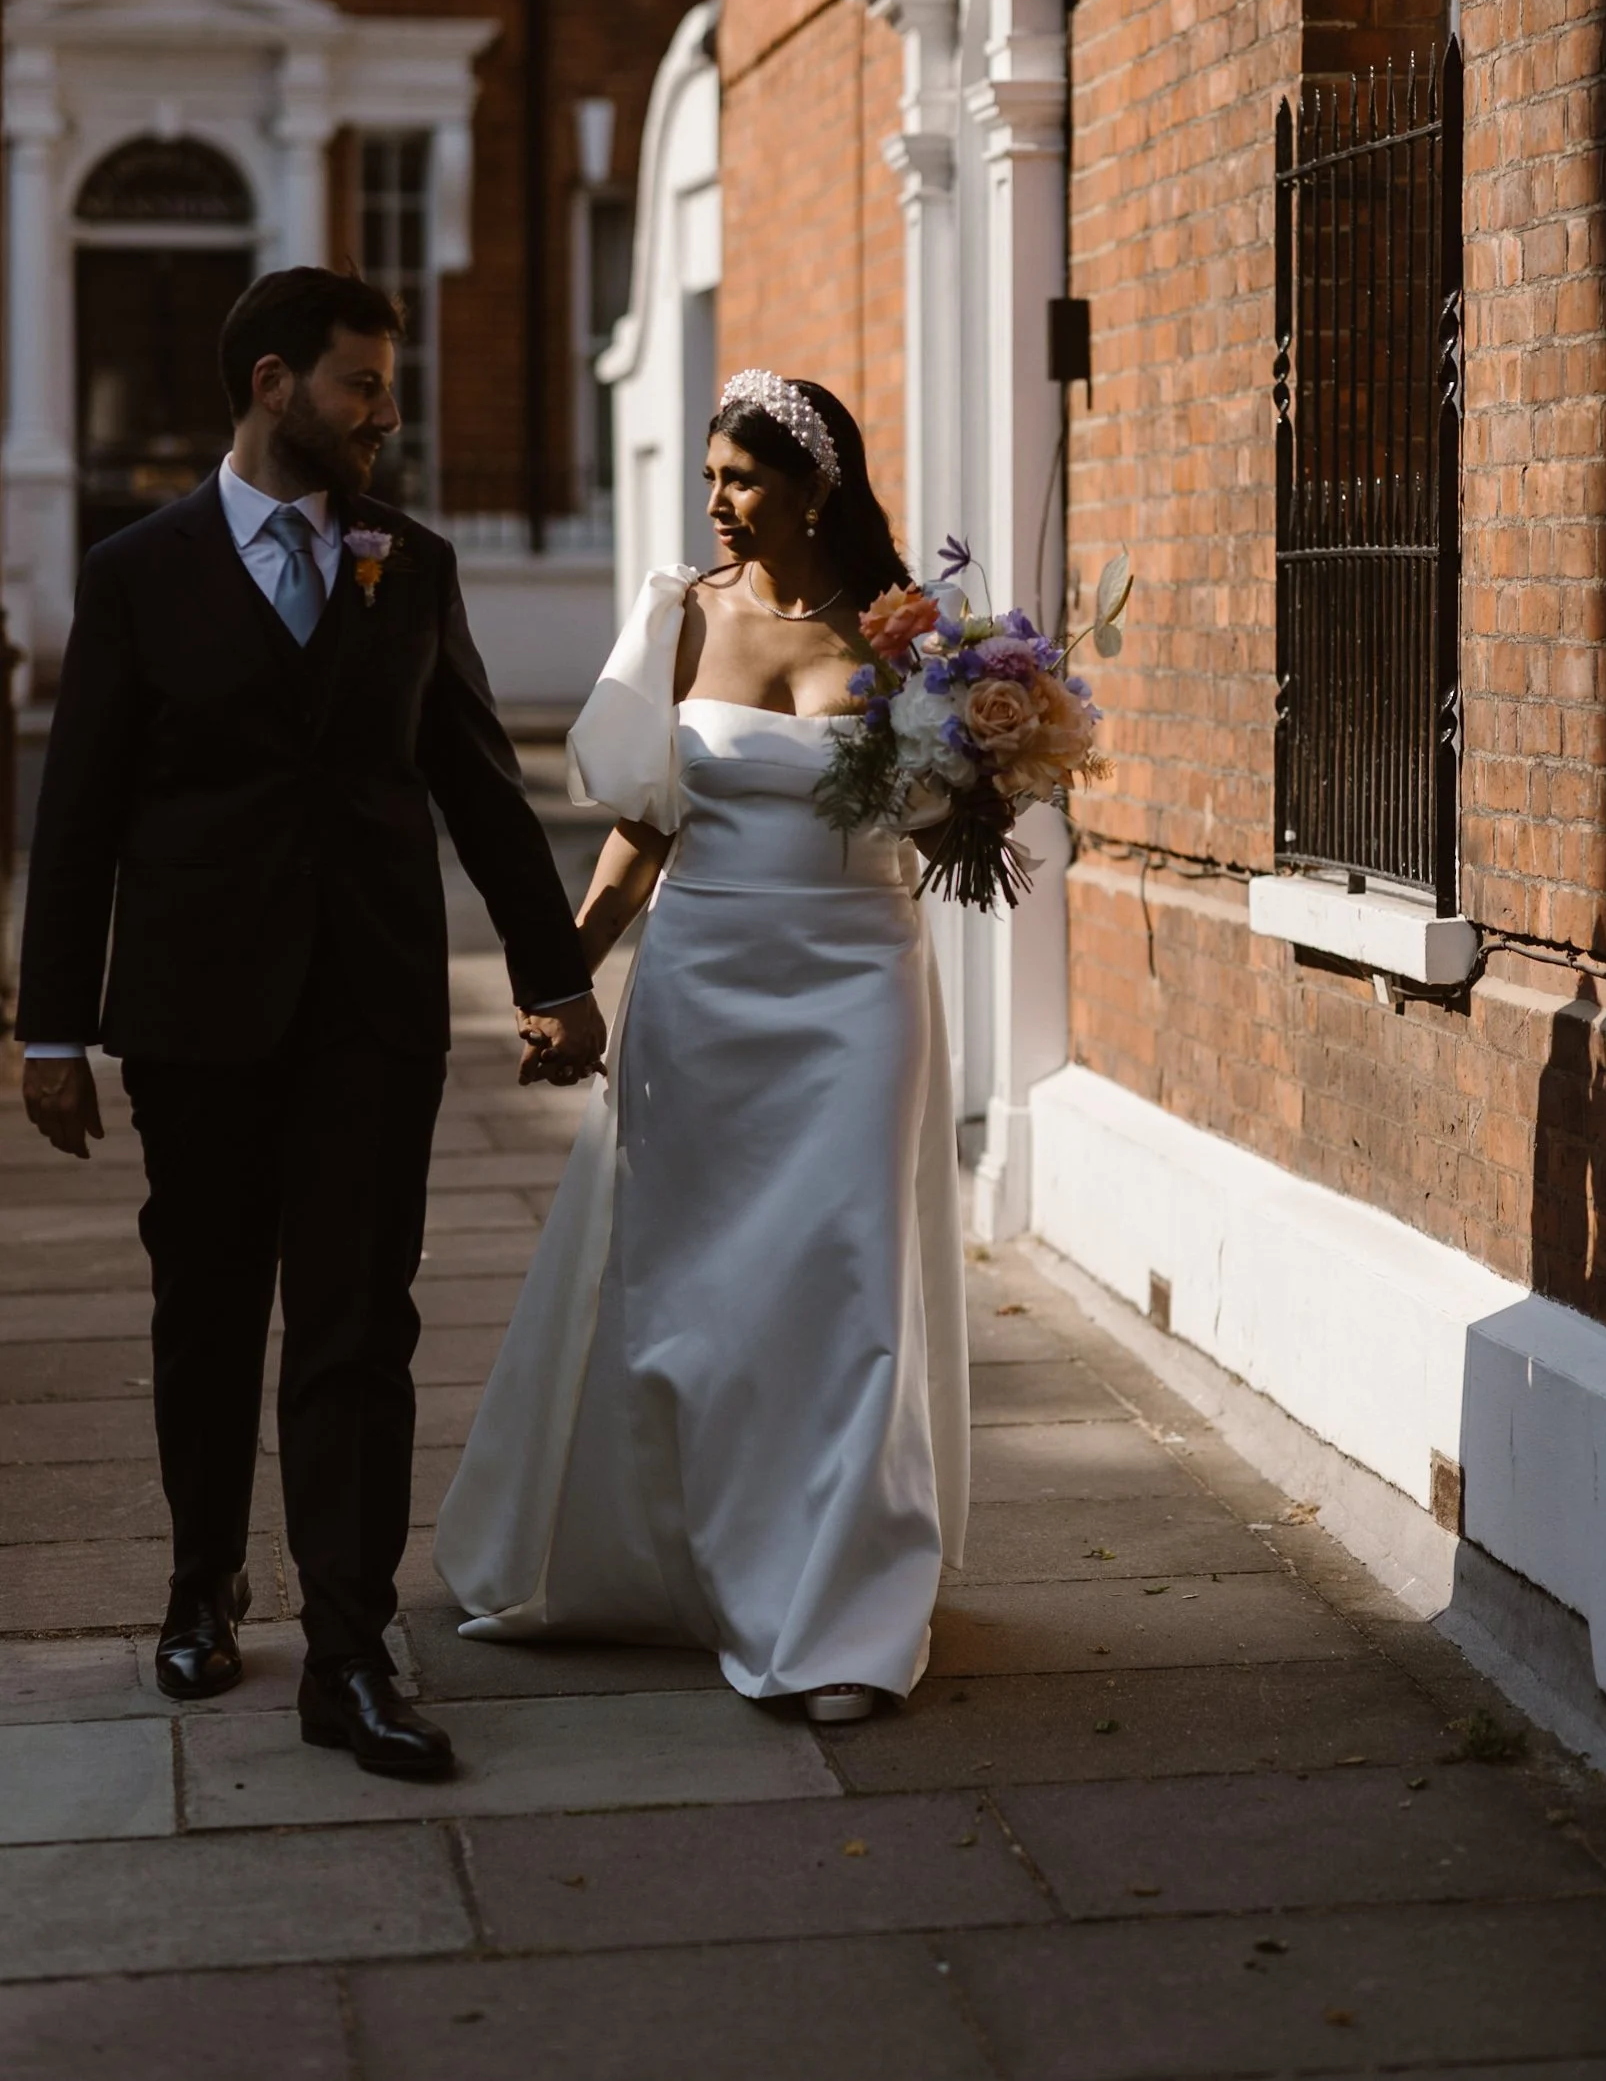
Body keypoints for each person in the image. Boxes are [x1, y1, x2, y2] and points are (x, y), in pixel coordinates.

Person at [16, 266, 606, 1780]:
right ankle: (201, 1584)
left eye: (386, 385)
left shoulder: (407, 561)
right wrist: (51, 1028)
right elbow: (75, 814)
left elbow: (479, 778)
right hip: (195, 1012)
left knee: (357, 1326)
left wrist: (554, 976)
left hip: (369, 1007)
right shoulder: (138, 569)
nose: (384, 413)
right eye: (360, 384)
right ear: (273, 384)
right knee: (205, 1315)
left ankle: (348, 1651)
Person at [435, 371, 969, 1723]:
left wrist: (989, 758)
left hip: (858, 977)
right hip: (705, 977)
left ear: (813, 486)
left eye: (740, 478)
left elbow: (951, 823)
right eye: (712, 481)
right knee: (688, 1290)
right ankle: (681, 1560)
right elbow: (641, 825)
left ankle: (838, 1619)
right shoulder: (680, 618)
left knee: (846, 1282)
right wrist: (566, 979)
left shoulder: (905, 632)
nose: (719, 503)